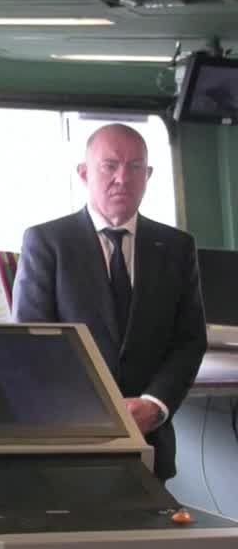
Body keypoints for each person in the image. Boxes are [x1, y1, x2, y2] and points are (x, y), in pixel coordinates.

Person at [12, 123, 206, 481]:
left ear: (148, 175)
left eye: (135, 167)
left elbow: (189, 340)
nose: (123, 178)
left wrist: (155, 405)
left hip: (150, 440)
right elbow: (31, 344)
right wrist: (92, 415)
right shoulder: (47, 242)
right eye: (110, 165)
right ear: (84, 173)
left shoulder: (176, 247)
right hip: (69, 441)